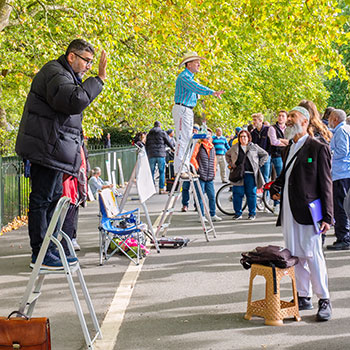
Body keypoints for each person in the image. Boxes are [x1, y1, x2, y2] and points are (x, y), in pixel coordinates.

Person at [15, 39, 107, 269]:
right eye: (86, 61)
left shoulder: (64, 75)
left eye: (91, 63)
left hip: (52, 148)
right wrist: (99, 80)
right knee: (42, 200)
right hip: (46, 149)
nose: (88, 66)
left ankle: (50, 248)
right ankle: (41, 253)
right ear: (71, 57)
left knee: (54, 201)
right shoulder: (55, 73)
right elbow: (74, 102)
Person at [270, 106, 333, 322]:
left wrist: (328, 216)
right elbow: (285, 175)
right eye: (287, 117)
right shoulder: (288, 148)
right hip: (288, 210)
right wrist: (275, 189)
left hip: (309, 212)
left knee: (313, 255)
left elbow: (326, 184)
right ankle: (303, 296)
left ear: (304, 121)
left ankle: (324, 299)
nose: (287, 120)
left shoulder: (317, 147)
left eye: (292, 117)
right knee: (294, 255)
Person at [172, 52, 224, 177]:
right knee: (182, 139)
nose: (199, 64)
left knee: (190, 139)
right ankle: (179, 169)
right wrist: (212, 92)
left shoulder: (188, 77)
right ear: (189, 64)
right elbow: (196, 87)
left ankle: (184, 167)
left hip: (187, 110)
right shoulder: (184, 77)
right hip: (183, 109)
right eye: (196, 62)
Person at [225, 130, 268, 221]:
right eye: (241, 137)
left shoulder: (254, 147)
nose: (243, 138)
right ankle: (238, 213)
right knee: (237, 194)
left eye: (245, 136)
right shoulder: (234, 147)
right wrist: (231, 164)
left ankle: (252, 213)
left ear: (248, 138)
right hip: (238, 174)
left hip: (251, 174)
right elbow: (227, 155)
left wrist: (259, 164)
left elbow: (265, 155)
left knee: (251, 194)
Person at [326, 109, 350, 250]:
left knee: (339, 206)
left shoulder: (341, 131)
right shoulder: (346, 129)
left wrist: (328, 153)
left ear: (335, 119)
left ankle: (344, 238)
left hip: (341, 173)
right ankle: (344, 236)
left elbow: (342, 151)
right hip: (344, 173)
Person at [190, 128, 222, 222]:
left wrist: (214, 171)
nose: (208, 137)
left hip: (210, 176)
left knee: (212, 196)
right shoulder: (198, 145)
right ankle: (202, 216)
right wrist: (197, 169)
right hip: (200, 175)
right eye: (206, 135)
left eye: (209, 135)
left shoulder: (212, 146)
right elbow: (192, 158)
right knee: (200, 197)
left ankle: (213, 214)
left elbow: (214, 160)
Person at [145, 121, 175, 194]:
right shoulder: (162, 132)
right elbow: (168, 141)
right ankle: (161, 189)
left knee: (151, 171)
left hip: (151, 154)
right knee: (162, 171)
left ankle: (151, 189)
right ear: (159, 126)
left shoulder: (149, 134)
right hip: (161, 154)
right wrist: (173, 148)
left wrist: (147, 153)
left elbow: (146, 144)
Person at [268, 110, 289, 215]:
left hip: (287, 156)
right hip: (277, 156)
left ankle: (284, 202)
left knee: (287, 179)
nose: (280, 117)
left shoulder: (289, 128)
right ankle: (276, 203)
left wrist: (283, 140)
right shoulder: (272, 128)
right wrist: (286, 142)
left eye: (282, 116)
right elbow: (274, 142)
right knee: (279, 179)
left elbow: (291, 142)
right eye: (279, 116)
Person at [181, 125, 199, 212]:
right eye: (193, 130)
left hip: (195, 167)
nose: (194, 132)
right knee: (185, 187)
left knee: (196, 188)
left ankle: (197, 205)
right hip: (186, 167)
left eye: (196, 130)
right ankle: (185, 205)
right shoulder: (185, 143)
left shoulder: (199, 144)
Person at [251, 113, 271, 183]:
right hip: (256, 157)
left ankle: (266, 194)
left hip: (266, 156)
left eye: (255, 120)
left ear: (260, 120)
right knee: (257, 177)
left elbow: (270, 143)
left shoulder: (268, 130)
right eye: (253, 120)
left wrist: (268, 153)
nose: (253, 122)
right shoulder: (253, 133)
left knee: (265, 177)